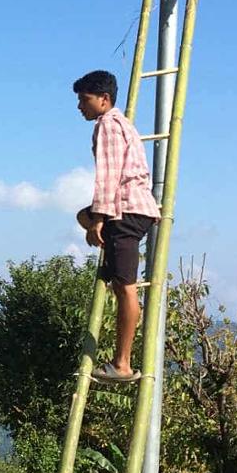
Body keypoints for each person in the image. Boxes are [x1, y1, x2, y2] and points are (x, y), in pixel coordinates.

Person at [72, 70, 161, 383]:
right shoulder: (123, 124)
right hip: (133, 209)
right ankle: (105, 245)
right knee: (82, 218)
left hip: (125, 210)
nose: (80, 106)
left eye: (85, 100)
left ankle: (121, 364)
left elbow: (107, 176)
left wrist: (99, 218)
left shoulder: (107, 124)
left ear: (103, 99)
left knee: (125, 288)